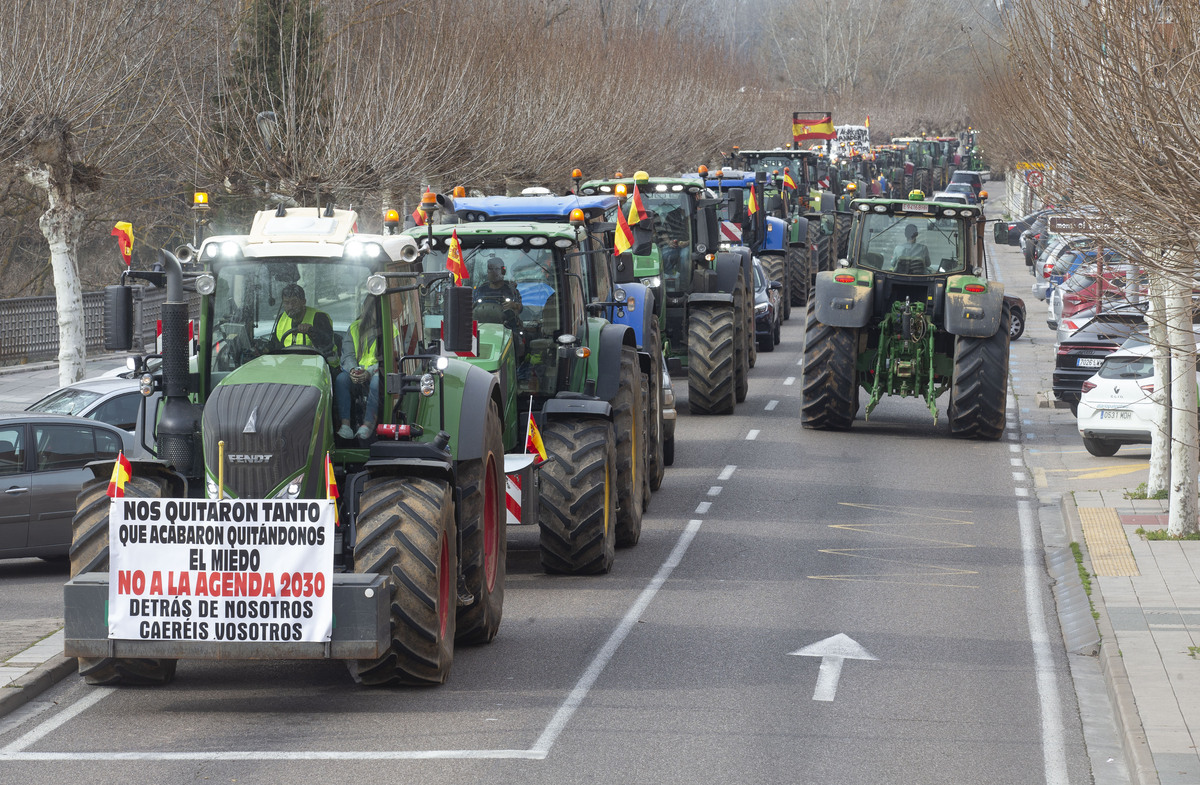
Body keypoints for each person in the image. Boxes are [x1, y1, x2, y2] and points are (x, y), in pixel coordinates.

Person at [335, 295, 381, 440]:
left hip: (377, 374)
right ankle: (345, 425)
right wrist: (353, 370)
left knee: (376, 382)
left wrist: (370, 372)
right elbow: (347, 354)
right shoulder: (354, 328)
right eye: (370, 308)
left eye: (375, 308)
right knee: (341, 379)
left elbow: (388, 360)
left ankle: (367, 425)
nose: (371, 312)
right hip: (357, 373)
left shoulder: (389, 329)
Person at [273, 283, 337, 367]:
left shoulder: (319, 317)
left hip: (319, 366)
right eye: (286, 303)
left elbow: (326, 344)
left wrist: (312, 333)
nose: (290, 306)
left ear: (303, 302)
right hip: (288, 365)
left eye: (294, 302)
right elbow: (275, 345)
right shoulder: (282, 318)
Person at [474, 255, 522, 326]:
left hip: (507, 328)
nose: (493, 272)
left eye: (496, 269)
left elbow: (520, 309)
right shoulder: (479, 290)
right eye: (490, 269)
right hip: (479, 328)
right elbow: (469, 308)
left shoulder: (511, 291)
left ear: (503, 271)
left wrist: (513, 305)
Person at [656, 207, 688, 275]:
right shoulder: (672, 215)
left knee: (684, 256)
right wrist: (669, 242)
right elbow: (663, 231)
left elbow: (698, 234)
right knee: (664, 255)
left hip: (689, 244)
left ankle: (683, 280)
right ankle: (668, 276)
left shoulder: (693, 215)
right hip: (673, 243)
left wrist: (688, 242)